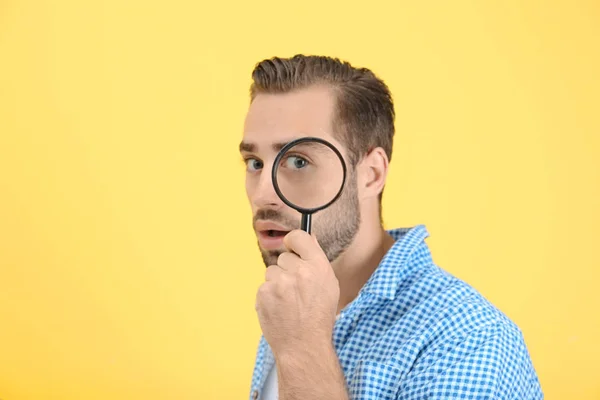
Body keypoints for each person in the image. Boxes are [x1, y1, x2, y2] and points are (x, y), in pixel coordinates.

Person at [239, 54, 543, 400]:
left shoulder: (470, 343)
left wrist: (303, 350)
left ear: (371, 175)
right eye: (254, 162)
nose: (263, 193)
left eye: (298, 161)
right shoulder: (291, 307)